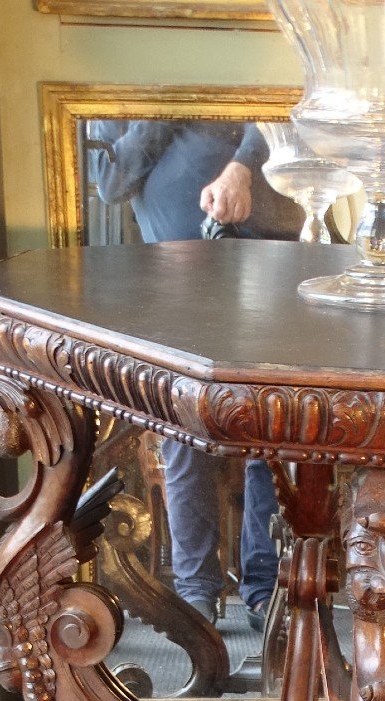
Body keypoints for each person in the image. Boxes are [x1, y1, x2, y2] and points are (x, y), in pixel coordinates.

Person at [87, 121, 282, 628]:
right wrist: (162, 111)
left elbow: (278, 117)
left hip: (267, 260)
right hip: (175, 279)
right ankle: (198, 595)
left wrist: (242, 166)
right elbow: (110, 182)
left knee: (274, 430)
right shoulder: (111, 101)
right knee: (183, 432)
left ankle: (265, 590)